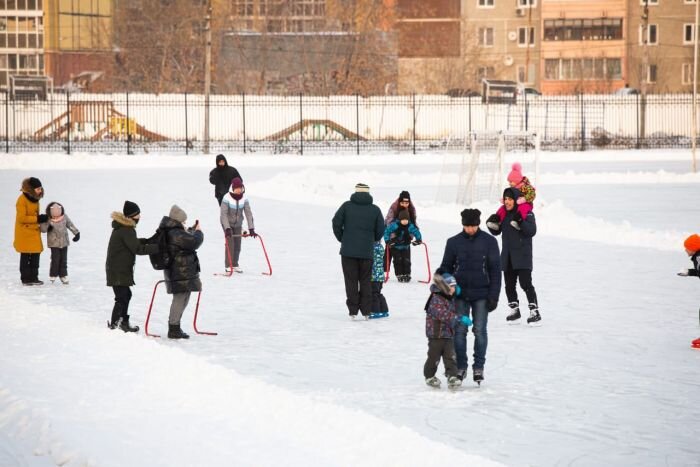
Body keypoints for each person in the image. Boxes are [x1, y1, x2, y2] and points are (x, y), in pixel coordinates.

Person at [437, 208, 501, 384]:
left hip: (482, 294)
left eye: (473, 226)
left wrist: (494, 295)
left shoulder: (489, 242)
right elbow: (445, 268)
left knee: (480, 331)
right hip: (460, 295)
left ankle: (478, 367)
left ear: (478, 224)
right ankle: (461, 366)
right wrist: (446, 287)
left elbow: (496, 270)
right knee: (459, 331)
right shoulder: (453, 242)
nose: (470, 229)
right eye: (467, 226)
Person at [487, 187, 540, 325]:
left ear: (516, 200)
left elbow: (532, 231)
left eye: (510, 199)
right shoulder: (504, 214)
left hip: (522, 255)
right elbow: (496, 232)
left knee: (525, 284)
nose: (507, 202)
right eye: (505, 199)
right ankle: (514, 311)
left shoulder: (526, 212)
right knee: (509, 286)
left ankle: (535, 312)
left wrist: (521, 222)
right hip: (508, 255)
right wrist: (492, 225)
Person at [332, 183, 384, 320]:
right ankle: (367, 311)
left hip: (348, 252)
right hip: (367, 252)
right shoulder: (375, 210)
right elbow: (380, 230)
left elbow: (336, 222)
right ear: (368, 193)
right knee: (366, 281)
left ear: (355, 192)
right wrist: (373, 239)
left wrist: (342, 238)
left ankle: (353, 311)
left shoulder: (346, 206)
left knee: (351, 281)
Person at [105, 201, 159, 332]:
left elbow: (131, 243)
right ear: (131, 216)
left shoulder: (123, 228)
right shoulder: (127, 230)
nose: (139, 217)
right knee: (122, 296)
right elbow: (137, 249)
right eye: (138, 214)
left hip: (117, 268)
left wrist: (146, 241)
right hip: (118, 270)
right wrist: (158, 248)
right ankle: (116, 323)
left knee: (125, 295)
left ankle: (122, 322)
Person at [159, 205, 204, 340]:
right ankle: (173, 328)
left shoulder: (173, 231)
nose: (184, 224)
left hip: (181, 271)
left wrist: (190, 230)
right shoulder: (175, 233)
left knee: (183, 298)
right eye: (183, 222)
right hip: (180, 272)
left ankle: (175, 327)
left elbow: (185, 239)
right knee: (180, 299)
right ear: (177, 221)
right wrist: (199, 232)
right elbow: (194, 241)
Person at [424, 272, 473, 389]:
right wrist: (460, 318)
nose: (454, 289)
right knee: (433, 357)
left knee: (451, 357)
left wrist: (456, 291)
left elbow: (450, 306)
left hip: (448, 334)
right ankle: (429, 376)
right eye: (452, 287)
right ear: (444, 288)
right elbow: (443, 314)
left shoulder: (448, 297)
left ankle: (452, 376)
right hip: (436, 335)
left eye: (455, 287)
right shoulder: (435, 299)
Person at [14, 177, 47, 286]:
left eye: (40, 188)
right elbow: (21, 218)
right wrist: (37, 219)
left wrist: (41, 218)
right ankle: (25, 279)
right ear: (31, 189)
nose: (40, 191)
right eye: (38, 189)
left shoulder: (35, 198)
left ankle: (34, 277)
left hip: (33, 231)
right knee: (25, 256)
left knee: (35, 256)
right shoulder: (22, 199)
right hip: (24, 232)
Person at [486, 162, 536, 231]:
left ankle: (518, 222)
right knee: (502, 208)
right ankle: (497, 221)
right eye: (509, 181)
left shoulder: (525, 186)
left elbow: (532, 194)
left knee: (522, 208)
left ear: (517, 180)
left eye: (511, 181)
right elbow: (511, 196)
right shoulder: (514, 188)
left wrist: (524, 199)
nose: (509, 183)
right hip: (516, 204)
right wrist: (505, 199)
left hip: (526, 203)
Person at [221, 177, 255, 273]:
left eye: (240, 188)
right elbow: (223, 214)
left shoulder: (244, 198)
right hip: (226, 222)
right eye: (236, 188)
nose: (238, 190)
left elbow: (248, 213)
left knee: (238, 245)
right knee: (230, 243)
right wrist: (227, 228)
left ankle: (235, 264)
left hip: (238, 223)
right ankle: (228, 265)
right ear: (233, 188)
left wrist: (251, 228)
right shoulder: (226, 197)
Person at [43, 201, 80, 284]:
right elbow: (43, 230)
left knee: (63, 260)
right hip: (54, 243)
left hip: (64, 242)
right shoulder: (48, 219)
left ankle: (63, 275)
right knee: (55, 259)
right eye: (54, 214)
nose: (57, 216)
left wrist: (76, 233)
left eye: (58, 213)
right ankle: (53, 274)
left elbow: (70, 225)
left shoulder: (64, 217)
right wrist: (44, 224)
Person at [384, 209, 422, 282]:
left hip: (405, 246)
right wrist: (388, 241)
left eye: (406, 220)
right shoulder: (394, 225)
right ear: (399, 219)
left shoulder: (410, 226)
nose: (405, 221)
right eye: (403, 220)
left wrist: (418, 239)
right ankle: (399, 274)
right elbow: (387, 232)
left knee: (406, 260)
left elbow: (416, 232)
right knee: (398, 260)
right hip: (395, 246)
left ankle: (407, 274)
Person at [678, 234, 700, 349]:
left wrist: (689, 272)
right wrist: (688, 272)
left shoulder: (699, 257)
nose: (685, 250)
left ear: (693, 247)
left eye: (687, 247)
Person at [370, 241, 389, 318]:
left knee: (373, 293)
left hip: (373, 276)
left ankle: (375, 311)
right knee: (378, 293)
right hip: (380, 276)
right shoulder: (380, 247)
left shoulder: (372, 248)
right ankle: (384, 310)